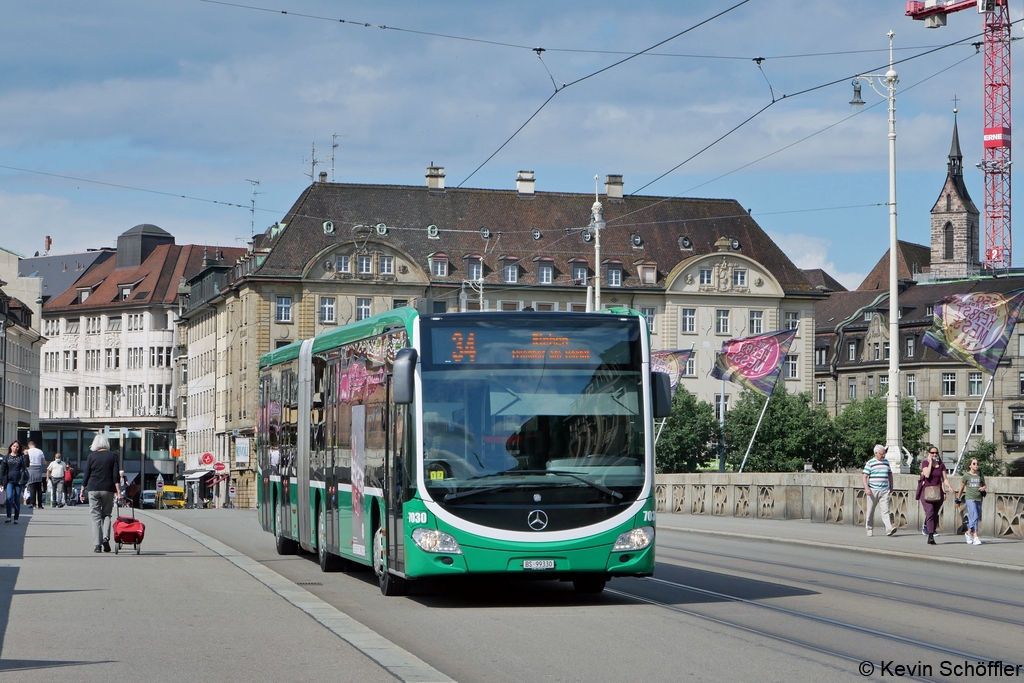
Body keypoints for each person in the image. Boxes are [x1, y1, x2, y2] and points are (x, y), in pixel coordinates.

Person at [79, 434, 121, 553]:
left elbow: (86, 474)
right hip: (108, 489)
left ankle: (97, 545)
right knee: (106, 514)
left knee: (95, 517)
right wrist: (119, 492)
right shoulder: (113, 455)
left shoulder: (91, 456)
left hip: (93, 488)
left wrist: (82, 490)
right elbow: (115, 476)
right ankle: (106, 538)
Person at [916, 448, 955, 545]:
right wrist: (930, 463)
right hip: (926, 492)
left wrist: (949, 487)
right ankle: (930, 536)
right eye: (932, 453)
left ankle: (931, 531)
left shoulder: (941, 465)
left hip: (938, 492)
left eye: (936, 453)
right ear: (929, 454)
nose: (934, 454)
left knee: (935, 514)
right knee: (930, 512)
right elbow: (927, 475)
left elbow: (944, 478)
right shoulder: (925, 463)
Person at [863, 444, 897, 537]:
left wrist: (891, 485)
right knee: (870, 511)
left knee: (886, 511)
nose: (883, 456)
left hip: (884, 489)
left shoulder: (886, 462)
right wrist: (866, 488)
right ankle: (869, 529)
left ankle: (889, 529)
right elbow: (864, 476)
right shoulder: (870, 463)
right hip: (873, 490)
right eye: (882, 454)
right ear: (876, 453)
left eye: (884, 454)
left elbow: (890, 474)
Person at [956, 457, 987, 546]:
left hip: (979, 498)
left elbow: (984, 485)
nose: (976, 465)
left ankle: (968, 532)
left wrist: (983, 488)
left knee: (975, 518)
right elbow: (961, 488)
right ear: (970, 465)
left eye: (977, 463)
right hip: (970, 498)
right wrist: (958, 499)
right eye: (974, 463)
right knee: (975, 516)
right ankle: (975, 537)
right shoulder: (966, 476)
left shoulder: (980, 474)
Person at [1, 441, 28, 524]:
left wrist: (26, 455)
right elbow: (2, 470)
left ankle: (16, 518)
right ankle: (8, 517)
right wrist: (1, 481)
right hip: (9, 481)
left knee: (17, 500)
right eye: (14, 446)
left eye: (17, 447)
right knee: (9, 498)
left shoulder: (21, 457)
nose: (15, 448)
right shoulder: (6, 458)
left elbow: (26, 465)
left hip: (19, 481)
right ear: (11, 447)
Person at [25, 440, 46, 510]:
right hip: (38, 469)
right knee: (39, 488)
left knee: (32, 488)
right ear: (35, 445)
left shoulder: (28, 451)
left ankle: (33, 504)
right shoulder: (40, 451)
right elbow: (43, 462)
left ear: (29, 445)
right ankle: (40, 504)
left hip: (30, 469)